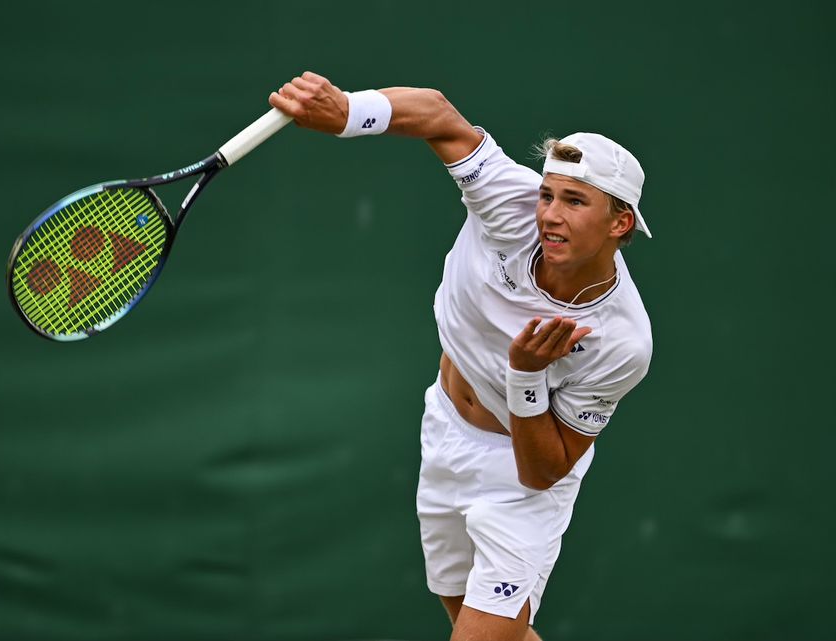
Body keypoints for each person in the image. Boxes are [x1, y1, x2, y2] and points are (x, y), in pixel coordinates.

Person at [269, 72, 653, 641]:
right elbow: (436, 113)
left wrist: (524, 377)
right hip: (444, 430)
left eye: (574, 201)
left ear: (619, 223)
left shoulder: (622, 340)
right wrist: (347, 111)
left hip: (521, 488)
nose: (548, 214)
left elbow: (543, 471)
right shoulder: (512, 208)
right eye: (548, 194)